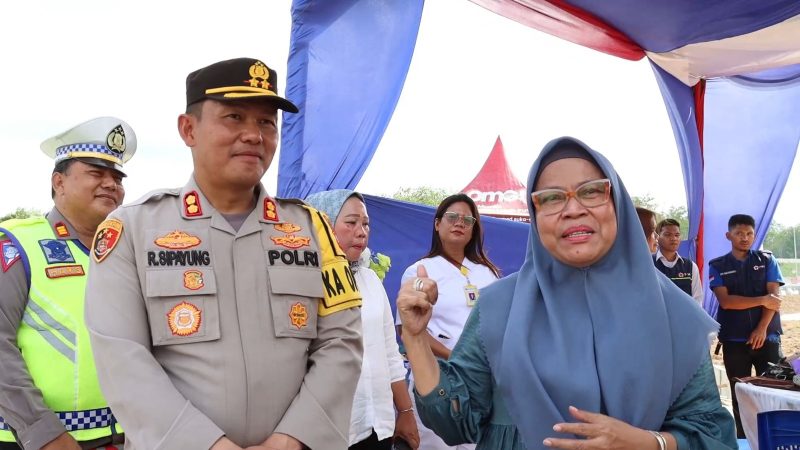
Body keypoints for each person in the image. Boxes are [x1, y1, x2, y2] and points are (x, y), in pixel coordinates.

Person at [84, 58, 363, 450]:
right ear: (188, 128)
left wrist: (291, 440)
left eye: (267, 122)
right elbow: (121, 358)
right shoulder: (132, 230)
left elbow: (341, 342)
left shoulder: (311, 230)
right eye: (234, 117)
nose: (254, 135)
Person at [397, 137, 737, 450]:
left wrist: (645, 442)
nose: (572, 209)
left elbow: (711, 434)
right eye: (551, 198)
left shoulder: (671, 314)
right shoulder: (500, 307)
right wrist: (415, 339)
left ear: (617, 203)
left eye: (591, 191)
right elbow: (455, 423)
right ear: (535, 215)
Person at [0, 117, 136, 449]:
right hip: (33, 440)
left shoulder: (127, 251)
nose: (110, 184)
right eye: (96, 173)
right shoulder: (18, 244)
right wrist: (44, 433)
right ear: (59, 182)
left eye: (117, 177)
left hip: (122, 437)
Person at [305, 189, 419, 450]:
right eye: (351, 222)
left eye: (365, 223)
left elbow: (390, 354)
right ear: (323, 224)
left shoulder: (370, 281)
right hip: (328, 432)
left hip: (378, 428)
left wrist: (405, 412)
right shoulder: (304, 284)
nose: (361, 231)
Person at [396, 194, 500, 450]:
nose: (459, 223)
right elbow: (407, 329)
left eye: (467, 219)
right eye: (452, 217)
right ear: (437, 224)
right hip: (436, 378)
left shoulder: (487, 273)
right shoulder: (420, 271)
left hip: (481, 382)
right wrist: (454, 355)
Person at [708, 213, 784, 439]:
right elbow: (726, 301)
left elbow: (775, 298)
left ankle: (773, 438)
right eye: (739, 233)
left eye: (749, 233)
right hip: (734, 342)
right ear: (728, 235)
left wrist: (761, 329)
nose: (745, 238)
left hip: (767, 339)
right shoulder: (718, 265)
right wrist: (762, 300)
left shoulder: (767, 260)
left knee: (773, 392)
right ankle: (743, 440)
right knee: (739, 394)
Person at [654, 218, 704, 305]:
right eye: (667, 234)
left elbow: (697, 299)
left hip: (685, 317)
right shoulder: (649, 264)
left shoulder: (690, 266)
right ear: (657, 237)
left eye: (677, 235)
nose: (673, 238)